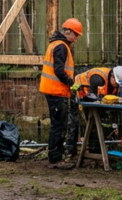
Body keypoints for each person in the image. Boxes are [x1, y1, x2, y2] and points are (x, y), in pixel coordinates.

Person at [40, 18, 83, 169]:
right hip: (56, 91)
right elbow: (59, 70)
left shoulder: (55, 44)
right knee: (59, 125)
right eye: (76, 35)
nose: (77, 38)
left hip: (54, 90)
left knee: (57, 124)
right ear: (68, 32)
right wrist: (72, 84)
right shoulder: (61, 47)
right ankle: (55, 159)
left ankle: (55, 157)